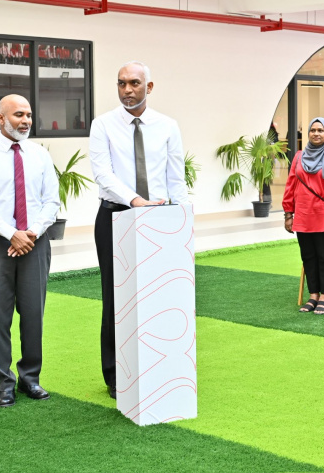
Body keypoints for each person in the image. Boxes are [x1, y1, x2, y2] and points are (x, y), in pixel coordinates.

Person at [89, 61, 190, 399]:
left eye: (134, 83)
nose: (127, 90)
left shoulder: (167, 126)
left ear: (149, 87)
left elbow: (176, 177)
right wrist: (134, 201)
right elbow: (103, 174)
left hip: (159, 218)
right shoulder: (103, 125)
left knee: (159, 295)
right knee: (116, 298)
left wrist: (183, 219)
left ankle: (158, 365)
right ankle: (115, 374)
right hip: (115, 216)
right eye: (121, 83)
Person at [0, 94, 60, 407]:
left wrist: (31, 232)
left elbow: (52, 201)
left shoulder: (40, 155)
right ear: (1, 118)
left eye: (29, 115)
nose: (25, 121)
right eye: (18, 114)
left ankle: (30, 378)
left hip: (35, 241)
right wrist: (12, 234)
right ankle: (5, 382)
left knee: (33, 314)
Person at [283, 118, 324, 315]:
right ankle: (313, 295)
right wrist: (288, 213)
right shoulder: (299, 157)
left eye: (321, 130)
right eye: (313, 130)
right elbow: (291, 185)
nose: (316, 133)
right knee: (308, 256)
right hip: (303, 215)